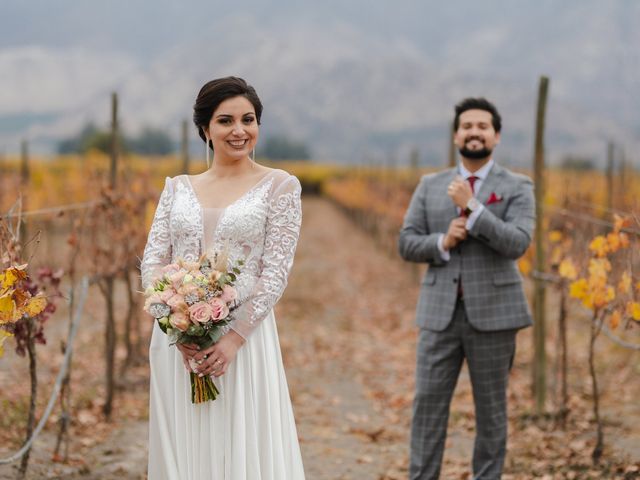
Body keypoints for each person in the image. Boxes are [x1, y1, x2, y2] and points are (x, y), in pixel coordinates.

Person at [140, 76, 306, 479]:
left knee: (239, 445)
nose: (239, 130)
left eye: (248, 119)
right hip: (176, 341)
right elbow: (152, 261)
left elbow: (274, 272)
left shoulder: (280, 187)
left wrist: (233, 340)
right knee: (184, 443)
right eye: (225, 120)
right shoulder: (177, 188)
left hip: (244, 338)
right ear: (205, 129)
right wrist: (176, 327)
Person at [398, 98, 535, 479]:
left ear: (497, 135)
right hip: (438, 316)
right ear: (456, 134)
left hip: (496, 316)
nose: (475, 131)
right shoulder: (429, 185)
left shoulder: (519, 186)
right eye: (468, 125)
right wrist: (442, 241)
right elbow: (406, 242)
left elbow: (518, 243)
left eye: (483, 126)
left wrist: (473, 208)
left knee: (491, 412)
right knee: (427, 408)